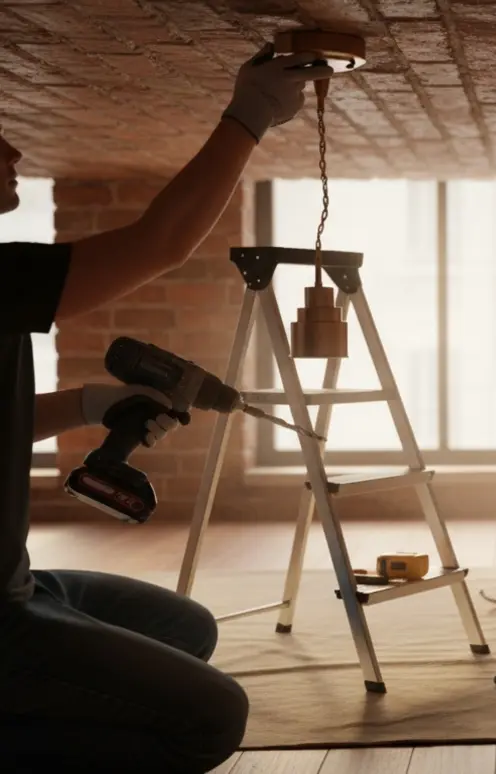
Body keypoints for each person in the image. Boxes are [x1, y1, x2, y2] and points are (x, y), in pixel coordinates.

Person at [0, 45, 333, 773]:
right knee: (213, 719)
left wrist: (95, 402)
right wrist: (251, 113)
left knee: (183, 628)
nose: (13, 146)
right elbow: (161, 243)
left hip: (22, 584)